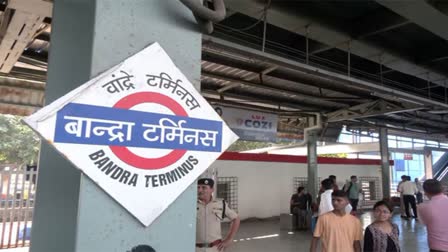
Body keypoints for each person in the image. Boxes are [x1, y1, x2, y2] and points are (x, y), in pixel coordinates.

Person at [196, 178, 240, 252]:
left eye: (204, 187)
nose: (200, 190)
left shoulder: (221, 204)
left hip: (215, 248)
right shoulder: (190, 204)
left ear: (212, 190)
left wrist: (229, 239)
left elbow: (236, 219)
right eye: (198, 187)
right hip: (195, 248)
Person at [417, 179, 448, 252]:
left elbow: (424, 222)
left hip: (436, 247)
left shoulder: (422, 207)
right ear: (442, 189)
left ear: (425, 192)